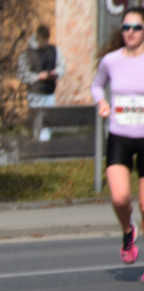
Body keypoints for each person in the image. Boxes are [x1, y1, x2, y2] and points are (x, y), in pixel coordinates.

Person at [92, 6, 144, 272]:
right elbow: (97, 84)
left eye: (136, 28)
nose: (130, 33)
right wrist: (101, 102)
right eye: (126, 28)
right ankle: (128, 231)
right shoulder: (111, 61)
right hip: (119, 135)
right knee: (120, 198)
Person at [18, 24, 66, 141]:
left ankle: (45, 146)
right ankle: (39, 147)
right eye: (42, 39)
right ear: (38, 37)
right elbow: (22, 74)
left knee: (49, 123)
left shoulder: (54, 50)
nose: (45, 42)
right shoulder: (27, 53)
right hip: (35, 94)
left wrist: (55, 73)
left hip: (49, 93)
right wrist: (38, 76)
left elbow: (62, 66)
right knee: (38, 124)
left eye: (46, 39)